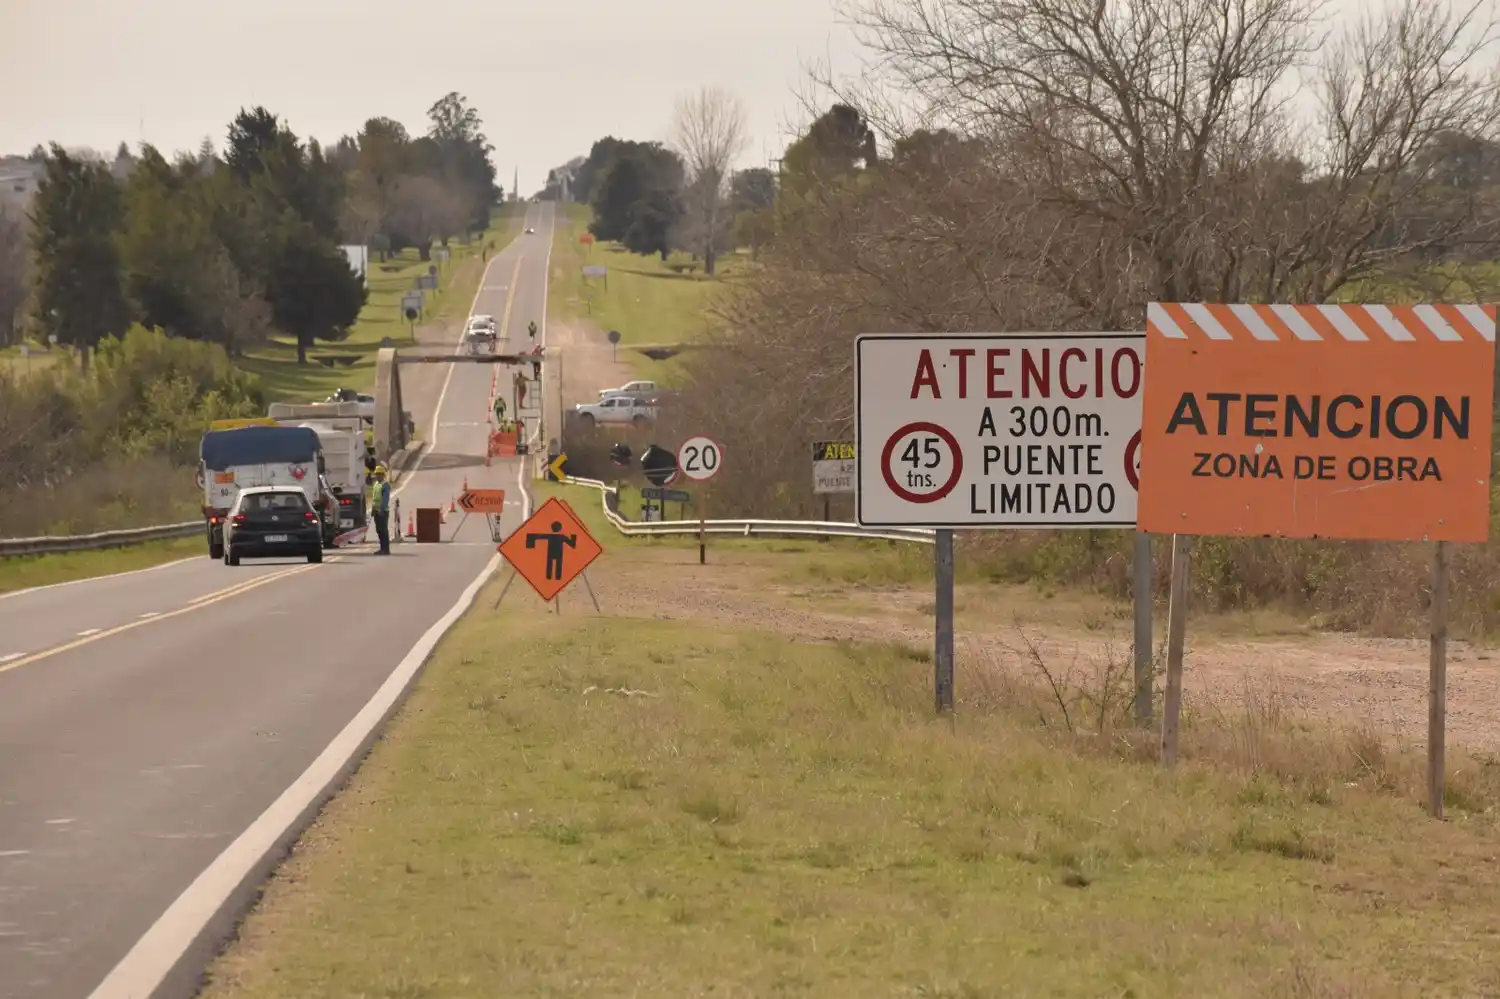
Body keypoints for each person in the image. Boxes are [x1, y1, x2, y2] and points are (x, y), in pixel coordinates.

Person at [369, 464, 392, 555]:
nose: (377, 476)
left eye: (379, 474)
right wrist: (373, 509)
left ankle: (386, 549)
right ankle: (382, 548)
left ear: (383, 475)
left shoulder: (385, 485)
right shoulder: (376, 484)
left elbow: (385, 499)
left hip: (383, 511)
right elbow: (374, 498)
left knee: (383, 530)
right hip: (376, 511)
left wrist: (381, 510)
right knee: (379, 530)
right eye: (377, 474)